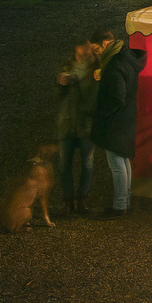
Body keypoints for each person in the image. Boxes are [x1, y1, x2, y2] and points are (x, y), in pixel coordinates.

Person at [90, 35, 146, 219]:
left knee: (116, 163)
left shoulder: (115, 65)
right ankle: (124, 201)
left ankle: (120, 205)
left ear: (105, 44)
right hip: (127, 118)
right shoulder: (128, 61)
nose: (97, 55)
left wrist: (103, 113)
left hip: (116, 122)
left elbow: (117, 96)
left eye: (97, 50)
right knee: (123, 160)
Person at [56, 30, 111, 214]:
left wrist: (76, 81)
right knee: (65, 165)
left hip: (86, 123)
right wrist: (60, 84)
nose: (87, 51)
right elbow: (57, 97)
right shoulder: (66, 65)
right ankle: (68, 201)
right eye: (84, 47)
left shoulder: (96, 68)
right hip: (67, 123)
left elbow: (94, 95)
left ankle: (82, 200)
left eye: (88, 47)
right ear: (77, 49)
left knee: (87, 165)